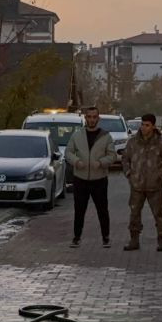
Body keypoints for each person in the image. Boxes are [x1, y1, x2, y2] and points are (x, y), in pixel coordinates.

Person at [65, 106, 117, 248]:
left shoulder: (105, 136)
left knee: (102, 210)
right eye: (89, 117)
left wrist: (101, 163)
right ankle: (76, 237)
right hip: (80, 179)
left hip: (99, 179)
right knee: (79, 210)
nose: (92, 119)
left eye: (94, 117)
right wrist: (76, 161)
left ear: (98, 119)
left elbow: (112, 155)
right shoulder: (77, 135)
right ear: (85, 118)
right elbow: (68, 152)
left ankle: (106, 237)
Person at [121, 113, 162, 252]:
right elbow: (125, 159)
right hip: (136, 185)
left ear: (153, 126)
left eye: (147, 125)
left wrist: (159, 174)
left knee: (159, 214)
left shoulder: (161, 142)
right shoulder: (133, 142)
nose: (144, 128)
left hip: (154, 185)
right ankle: (134, 239)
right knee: (134, 213)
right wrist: (128, 173)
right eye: (142, 125)